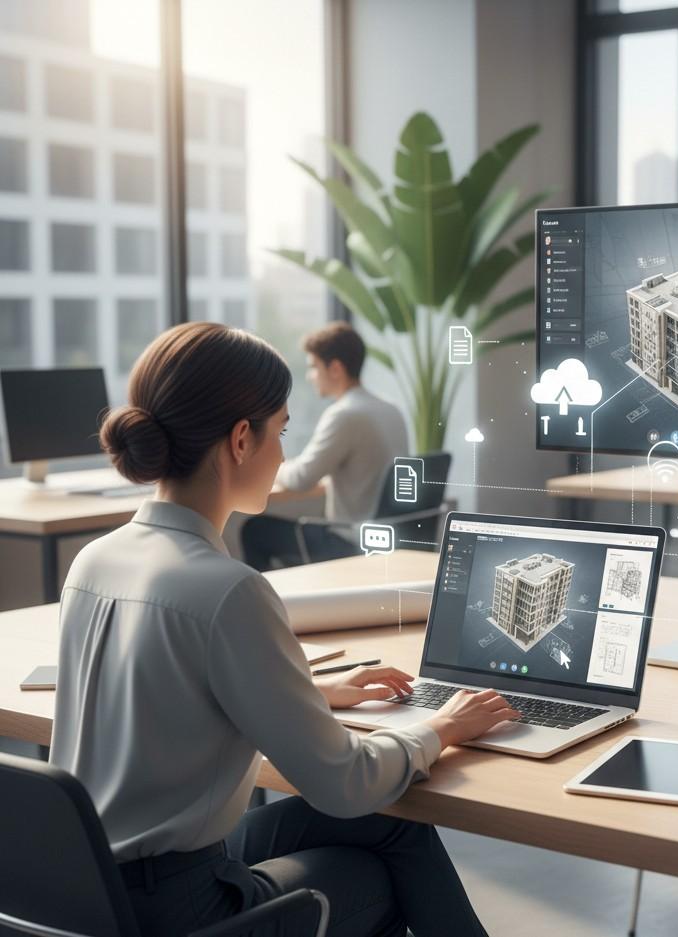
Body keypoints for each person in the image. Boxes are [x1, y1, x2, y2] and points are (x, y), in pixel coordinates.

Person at [49, 322, 517, 937]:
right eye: (283, 432)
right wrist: (442, 727)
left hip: (94, 886)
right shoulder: (229, 590)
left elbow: (171, 700)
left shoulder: (95, 561)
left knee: (392, 824)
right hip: (183, 908)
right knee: (376, 871)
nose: (282, 456)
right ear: (242, 439)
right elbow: (346, 784)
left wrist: (314, 694)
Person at [241, 322, 408, 571]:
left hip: (351, 543)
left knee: (255, 531)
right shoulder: (391, 409)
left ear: (336, 368)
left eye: (313, 367)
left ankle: (272, 607)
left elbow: (301, 479)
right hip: (389, 539)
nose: (310, 376)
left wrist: (272, 464)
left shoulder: (345, 414)